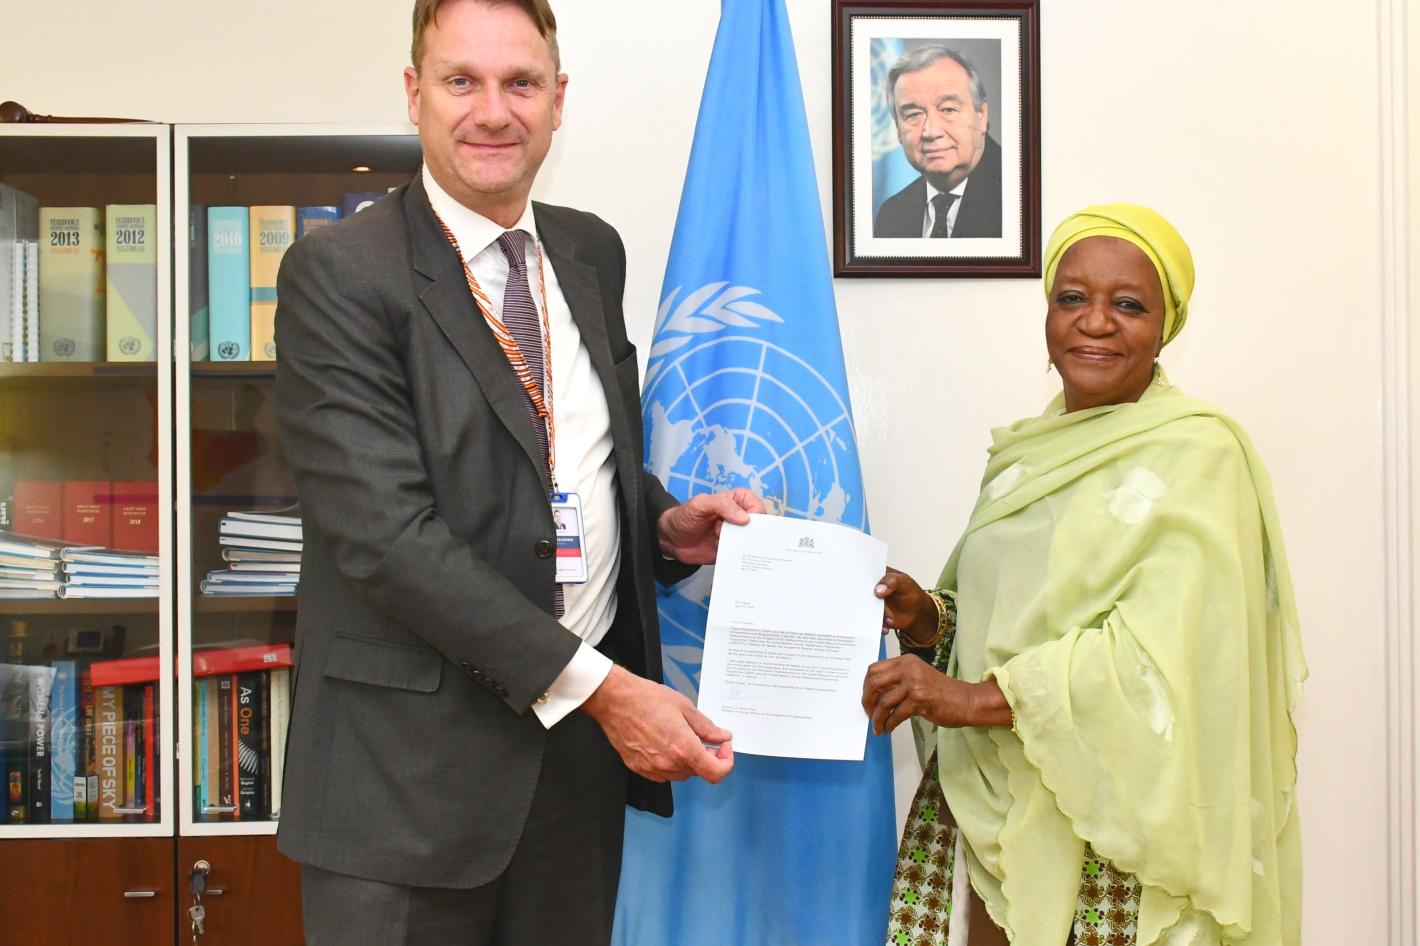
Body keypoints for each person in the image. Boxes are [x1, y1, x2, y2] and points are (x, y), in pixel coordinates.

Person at [272, 1, 762, 943]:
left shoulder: (589, 252)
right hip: (404, 793)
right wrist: (608, 692)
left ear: (558, 100)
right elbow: (386, 539)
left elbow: (568, 457)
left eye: (521, 83)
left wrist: (664, 525)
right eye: (462, 80)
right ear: (415, 93)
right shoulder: (341, 273)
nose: (493, 111)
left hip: (573, 784)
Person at [862, 205, 1306, 945]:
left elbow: (1160, 654)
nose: (1095, 322)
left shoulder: (1201, 456)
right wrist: (927, 617)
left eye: (1128, 304)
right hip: (994, 818)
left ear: (1165, 328)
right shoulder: (1024, 459)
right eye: (1072, 297)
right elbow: (1006, 617)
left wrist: (969, 699)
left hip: (1120, 839)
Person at [873, 45, 1003, 239]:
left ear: (981, 115)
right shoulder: (891, 215)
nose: (931, 132)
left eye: (948, 109)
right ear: (898, 130)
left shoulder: (1019, 195)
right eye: (914, 114)